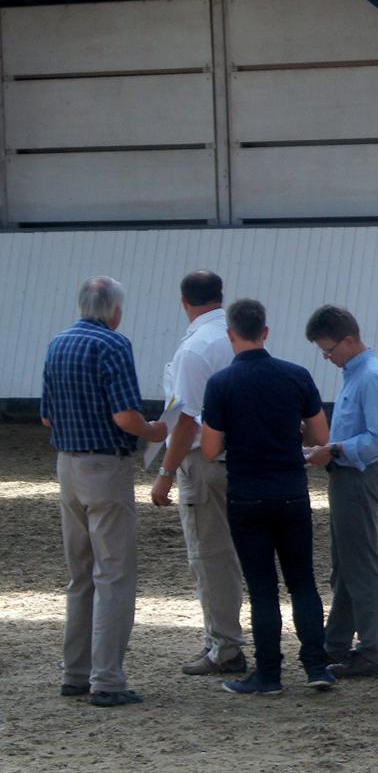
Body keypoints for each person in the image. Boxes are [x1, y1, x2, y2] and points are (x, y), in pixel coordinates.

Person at [41, 276, 167, 708]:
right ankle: (108, 678)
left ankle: (74, 673)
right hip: (105, 466)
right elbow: (125, 417)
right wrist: (154, 430)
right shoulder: (113, 345)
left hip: (67, 464)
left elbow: (46, 417)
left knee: (80, 575)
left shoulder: (57, 343)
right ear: (115, 310)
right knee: (114, 574)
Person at [200, 298, 335, 695]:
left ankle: (269, 674)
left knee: (262, 589)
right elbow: (321, 436)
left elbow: (210, 449)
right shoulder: (296, 375)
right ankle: (317, 665)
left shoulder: (221, 383)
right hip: (291, 491)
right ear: (266, 331)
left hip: (247, 494)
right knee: (302, 582)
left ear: (231, 335)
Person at [150, 271, 246, 676]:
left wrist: (166, 471)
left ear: (184, 301)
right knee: (234, 553)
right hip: (242, 459)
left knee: (209, 556)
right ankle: (227, 640)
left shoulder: (195, 347)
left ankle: (224, 646)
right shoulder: (237, 337)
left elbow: (186, 420)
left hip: (204, 463)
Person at [304, 306, 378, 679]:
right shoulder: (357, 374)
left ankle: (371, 651)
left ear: (349, 340)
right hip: (346, 475)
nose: (327, 357)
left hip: (357, 476)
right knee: (345, 566)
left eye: (329, 350)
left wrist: (336, 449)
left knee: (361, 566)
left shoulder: (371, 377)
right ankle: (336, 643)